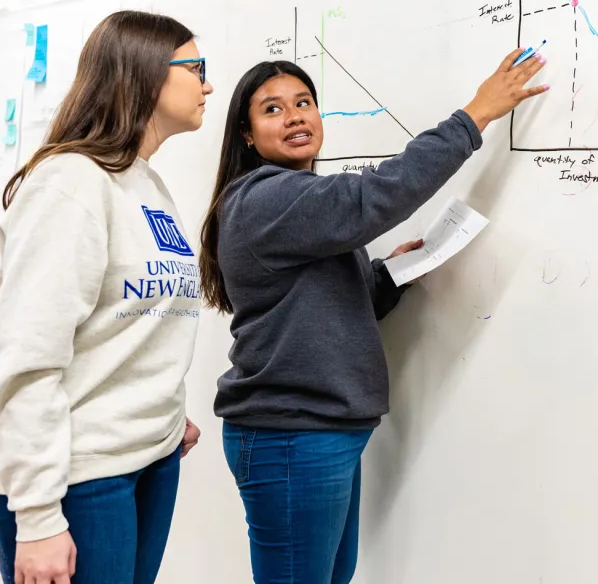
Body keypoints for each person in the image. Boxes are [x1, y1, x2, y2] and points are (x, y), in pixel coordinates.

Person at [199, 47, 547, 584]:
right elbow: (375, 196)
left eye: (304, 102)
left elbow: (322, 304)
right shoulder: (268, 198)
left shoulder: (294, 205)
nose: (295, 116)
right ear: (246, 135)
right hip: (291, 435)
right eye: (272, 109)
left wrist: (388, 275)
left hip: (321, 431)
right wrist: (474, 114)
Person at [0, 10, 213, 584]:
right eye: (196, 67)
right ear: (146, 74)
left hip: (150, 457)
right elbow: (26, 359)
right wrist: (37, 519)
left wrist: (162, 409)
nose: (208, 84)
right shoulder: (70, 183)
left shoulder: (144, 182)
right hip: (78, 476)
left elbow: (139, 318)